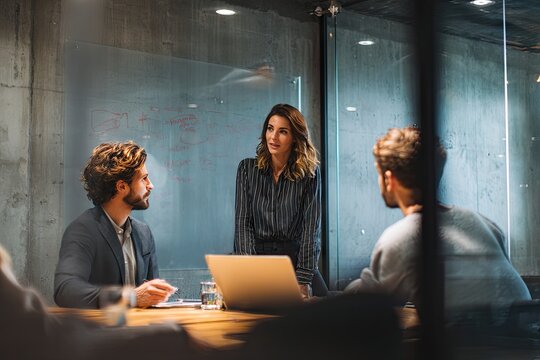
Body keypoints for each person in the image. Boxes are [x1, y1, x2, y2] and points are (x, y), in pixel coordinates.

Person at [344, 127, 531, 319]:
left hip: (475, 346)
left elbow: (362, 304)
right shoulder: (483, 223)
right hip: (527, 342)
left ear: (389, 179)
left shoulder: (401, 238)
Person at [54, 141, 176, 309]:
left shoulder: (143, 232)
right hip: (101, 332)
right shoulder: (83, 230)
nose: (151, 185)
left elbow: (152, 296)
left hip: (139, 329)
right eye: (144, 179)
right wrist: (131, 297)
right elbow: (65, 291)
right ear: (121, 186)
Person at [234, 104, 327, 297]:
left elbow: (312, 230)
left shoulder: (309, 174)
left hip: (296, 260)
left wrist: (303, 279)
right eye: (270, 129)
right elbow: (243, 225)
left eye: (282, 132)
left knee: (327, 314)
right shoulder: (247, 169)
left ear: (295, 138)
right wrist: (248, 272)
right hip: (257, 261)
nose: (273, 137)